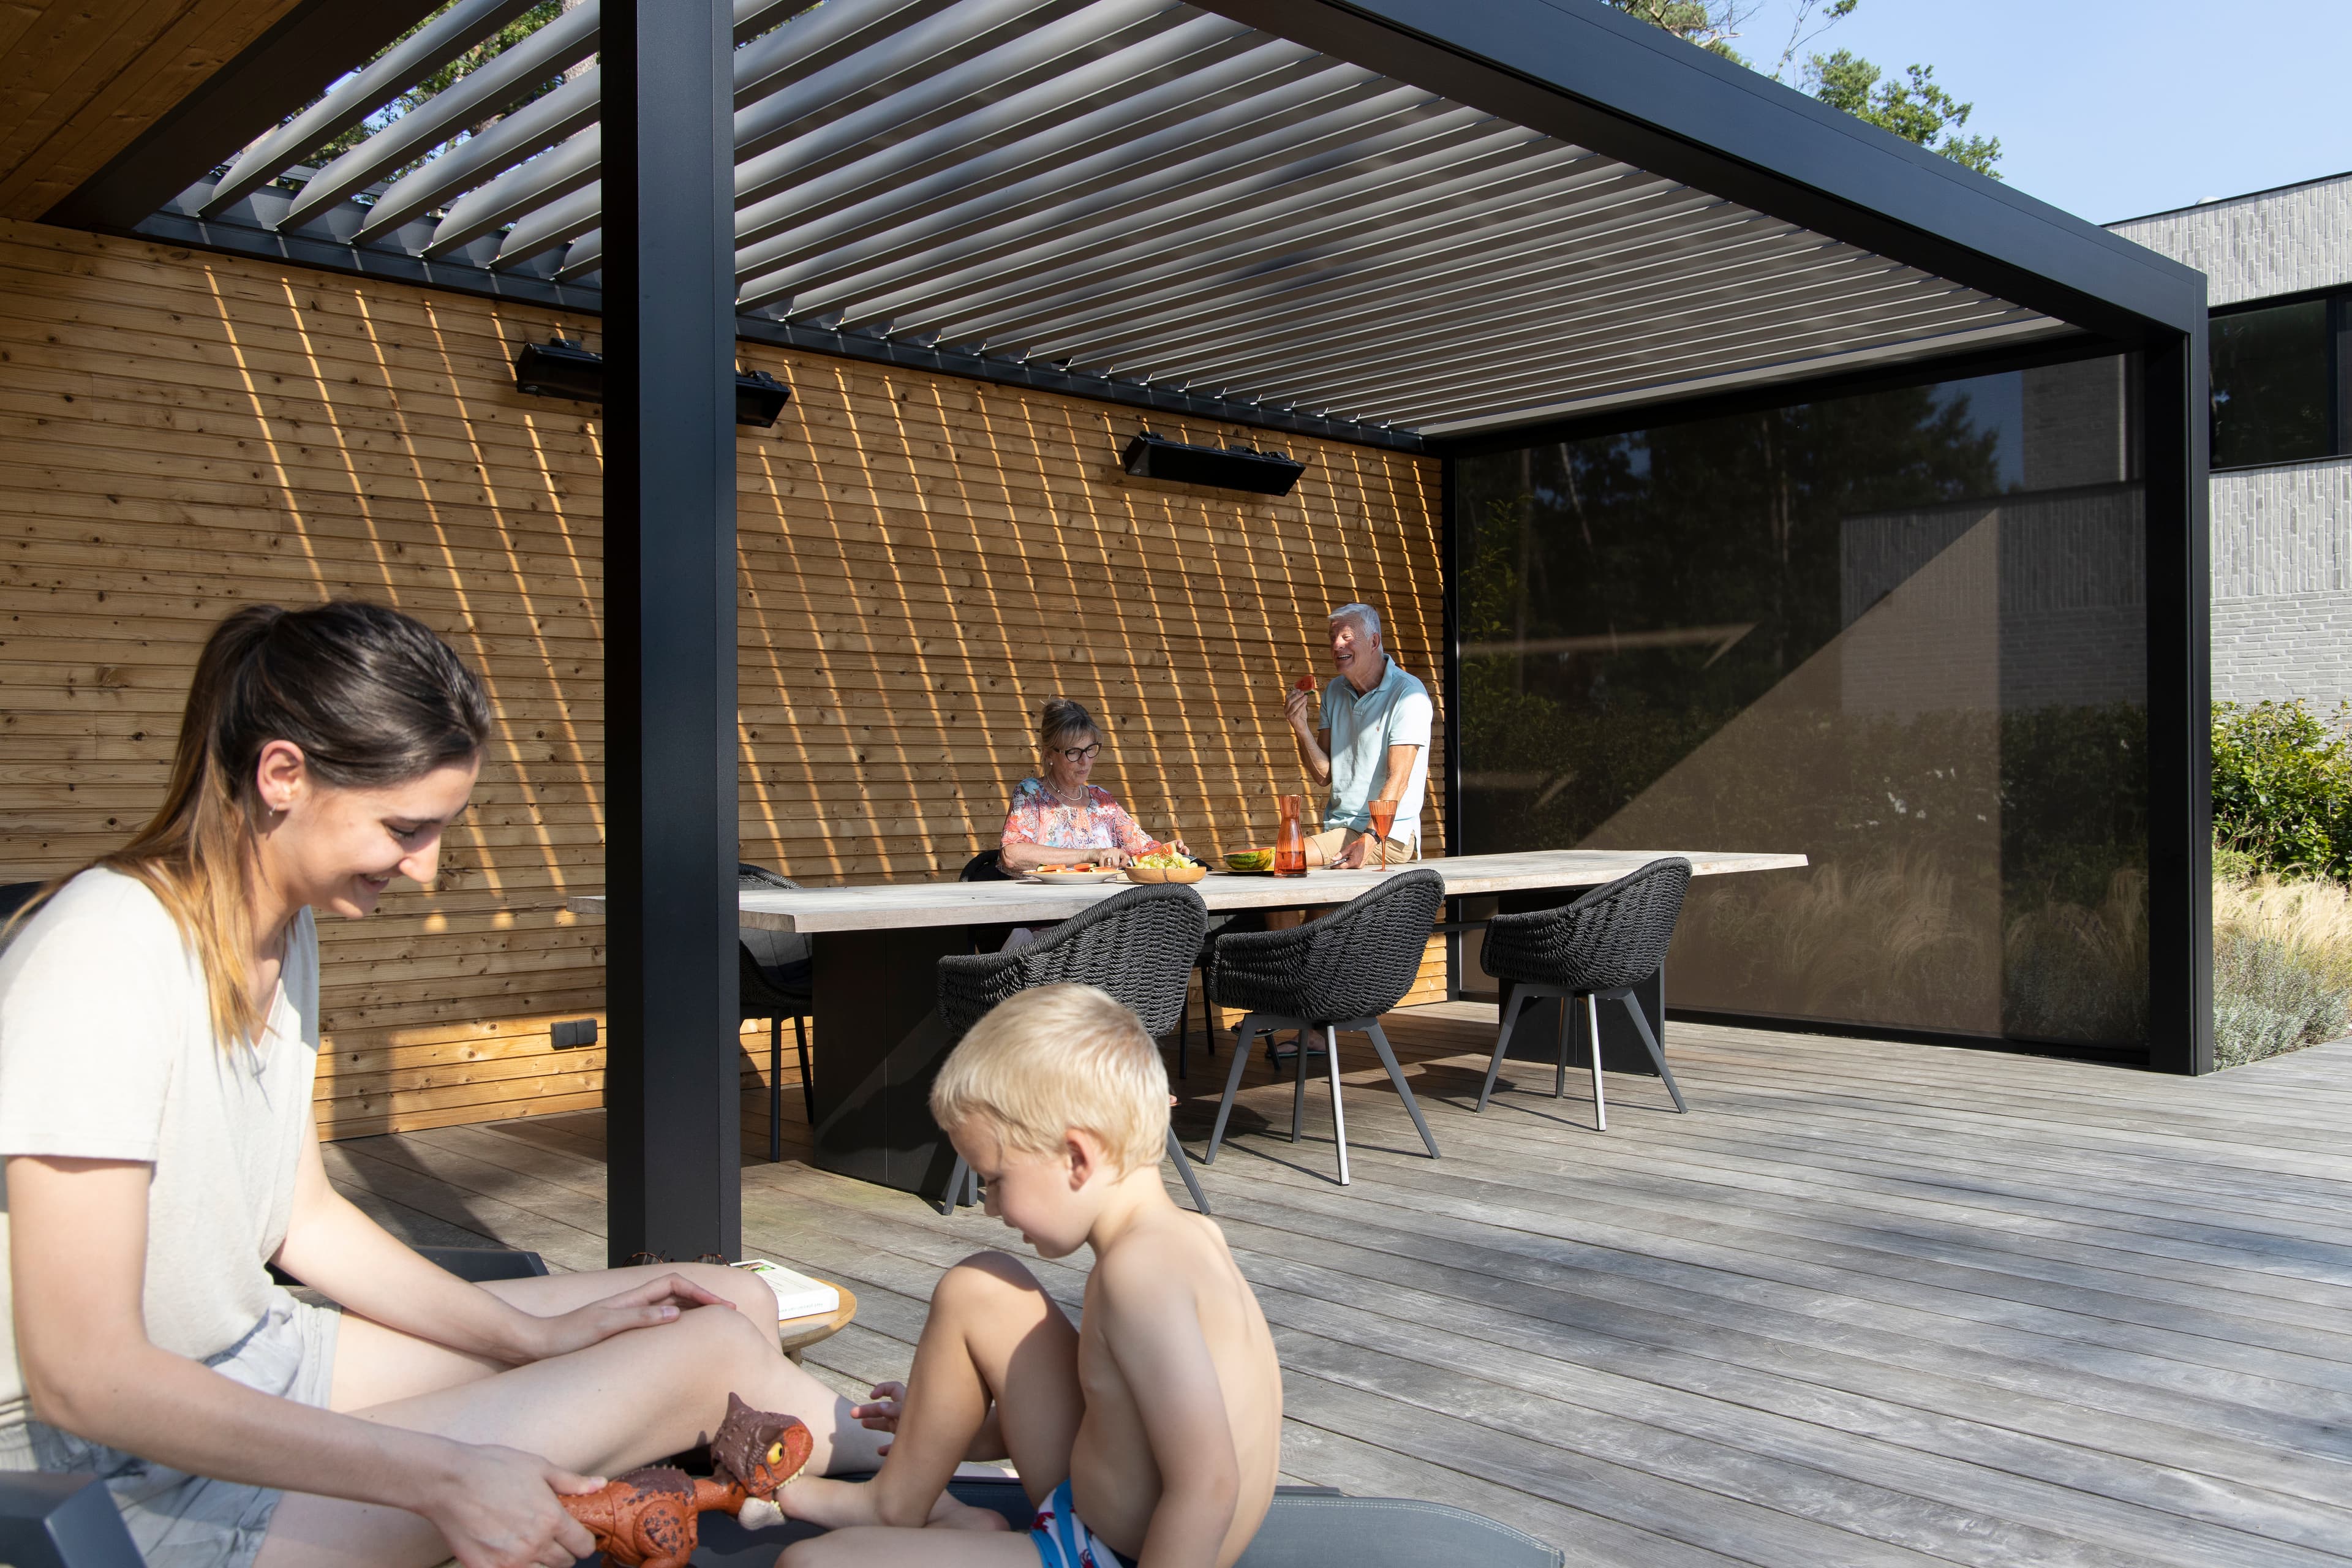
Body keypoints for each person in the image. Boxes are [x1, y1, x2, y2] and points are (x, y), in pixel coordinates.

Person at [0, 601, 901, 1568]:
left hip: (265, 1357)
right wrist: (439, 1474)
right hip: (122, 1473)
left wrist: (528, 1337)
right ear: (281, 775)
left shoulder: (281, 930)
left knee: (726, 1305)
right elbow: (85, 1378)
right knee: (706, 1356)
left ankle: (896, 1469)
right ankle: (910, 1477)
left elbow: (304, 1222)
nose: (427, 870)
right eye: (405, 828)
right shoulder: (103, 955)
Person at [773, 983, 1283, 1568]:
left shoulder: (1140, 1277)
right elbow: (1118, 1420)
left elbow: (1210, 1487)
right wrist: (941, 1426)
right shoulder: (1188, 1236)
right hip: (1098, 1511)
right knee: (980, 1285)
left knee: (808, 1565)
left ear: (1077, 1158)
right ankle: (895, 1502)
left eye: (995, 1181)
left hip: (1115, 1554)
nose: (990, 1207)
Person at [1281, 602, 1433, 867]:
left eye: (1347, 637)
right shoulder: (1334, 692)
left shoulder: (1409, 695)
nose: (1337, 645)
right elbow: (1324, 776)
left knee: (1284, 857)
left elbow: (1398, 780)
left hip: (1387, 836)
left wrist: (1370, 838)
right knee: (1290, 871)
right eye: (1333, 638)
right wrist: (1301, 727)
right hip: (1340, 829)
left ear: (1374, 642)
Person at [998, 698, 1182, 874]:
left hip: (1105, 897)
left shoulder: (1102, 801)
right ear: (1049, 754)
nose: (1085, 761)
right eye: (1074, 752)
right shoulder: (1032, 793)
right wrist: (1090, 855)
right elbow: (1012, 855)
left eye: (1090, 749)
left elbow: (1143, 850)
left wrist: (1168, 851)